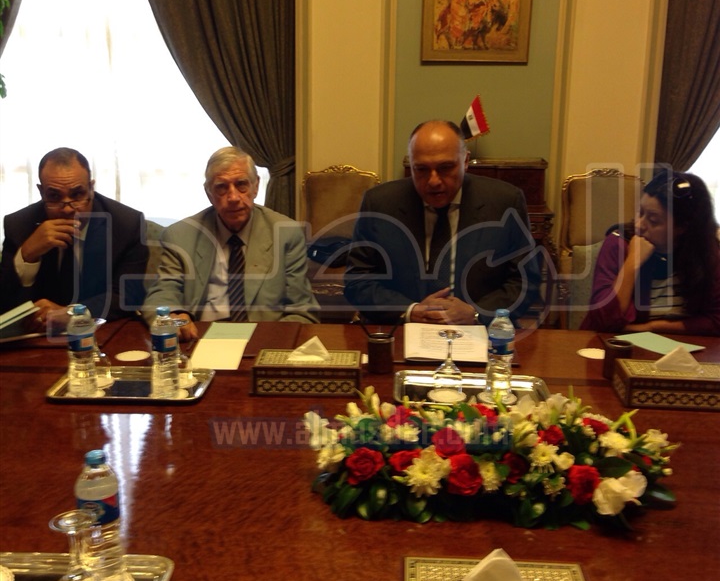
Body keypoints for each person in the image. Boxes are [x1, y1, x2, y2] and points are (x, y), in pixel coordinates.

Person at [344, 120, 542, 325]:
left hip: (480, 331)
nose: (433, 181)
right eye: (421, 169)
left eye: (445, 168)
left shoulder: (504, 202)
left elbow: (525, 282)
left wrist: (476, 313)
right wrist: (411, 311)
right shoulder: (380, 204)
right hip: (402, 329)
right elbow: (358, 280)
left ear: (465, 161)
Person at [142, 146, 319, 339]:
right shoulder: (180, 236)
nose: (233, 197)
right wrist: (175, 318)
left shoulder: (286, 233)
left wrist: (267, 341)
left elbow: (302, 310)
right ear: (209, 193)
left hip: (262, 337)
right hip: (200, 336)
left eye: (241, 184)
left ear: (255, 186)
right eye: (221, 187)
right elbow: (163, 292)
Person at [0, 147, 149, 330]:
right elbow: (5, 302)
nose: (67, 208)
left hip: (100, 332)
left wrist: (72, 313)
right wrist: (26, 256)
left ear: (91, 189)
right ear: (41, 192)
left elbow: (128, 295)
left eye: (77, 195)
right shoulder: (19, 225)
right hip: (37, 336)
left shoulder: (126, 224)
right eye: (54, 196)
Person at [581, 170, 720, 335]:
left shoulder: (707, 253)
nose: (639, 225)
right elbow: (602, 322)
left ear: (682, 227)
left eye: (653, 220)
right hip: (617, 344)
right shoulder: (618, 244)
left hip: (682, 347)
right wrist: (632, 263)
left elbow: (716, 321)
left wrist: (652, 327)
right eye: (640, 212)